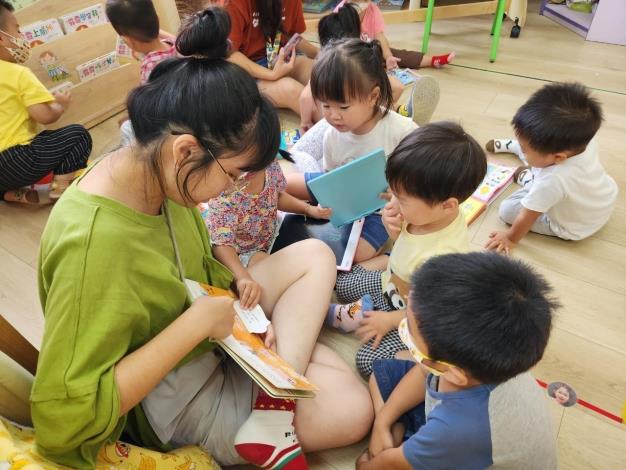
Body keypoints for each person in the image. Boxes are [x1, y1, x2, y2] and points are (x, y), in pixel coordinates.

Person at [31, 17, 372, 470]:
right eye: (233, 175)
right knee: (350, 406)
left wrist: (238, 313)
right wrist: (196, 326)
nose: (233, 189)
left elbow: (198, 268)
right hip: (172, 394)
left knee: (314, 254)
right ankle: (275, 404)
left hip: (209, 335)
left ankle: (273, 410)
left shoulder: (155, 175)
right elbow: (63, 423)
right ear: (186, 150)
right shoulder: (94, 247)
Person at [359, 252, 558, 469]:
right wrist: (383, 421)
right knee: (381, 376)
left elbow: (387, 464)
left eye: (409, 326)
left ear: (454, 374)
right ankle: (398, 433)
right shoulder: (483, 360)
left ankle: (402, 438)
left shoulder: (459, 429)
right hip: (461, 426)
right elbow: (426, 370)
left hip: (463, 442)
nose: (403, 327)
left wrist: (366, 465)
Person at [330, 122, 486, 376]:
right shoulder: (428, 212)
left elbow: (427, 314)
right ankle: (365, 306)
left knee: (368, 361)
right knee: (344, 283)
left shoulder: (442, 258)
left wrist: (390, 321)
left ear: (448, 205)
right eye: (393, 193)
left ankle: (420, 367)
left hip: (413, 316)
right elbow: (406, 240)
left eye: (401, 200)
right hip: (392, 282)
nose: (393, 202)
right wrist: (392, 226)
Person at [286, 38, 417, 264]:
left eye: (343, 107)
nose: (333, 115)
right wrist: (326, 201)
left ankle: (389, 258)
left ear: (373, 97)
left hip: (379, 209)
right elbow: (331, 177)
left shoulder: (402, 132)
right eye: (326, 105)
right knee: (285, 184)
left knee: (356, 255)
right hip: (344, 199)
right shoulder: (331, 135)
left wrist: (399, 194)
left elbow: (422, 178)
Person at [485, 82, 618, 253]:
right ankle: (522, 149)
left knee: (507, 210)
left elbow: (526, 217)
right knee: (537, 157)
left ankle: (528, 178)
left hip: (574, 227)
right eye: (522, 146)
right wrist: (530, 151)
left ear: (559, 157)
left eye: (524, 149)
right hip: (601, 200)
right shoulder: (583, 141)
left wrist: (510, 238)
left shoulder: (552, 181)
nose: (525, 152)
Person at [203, 157, 331, 310]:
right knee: (284, 277)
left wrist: (307, 209)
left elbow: (276, 195)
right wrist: (242, 277)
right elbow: (221, 244)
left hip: (272, 229)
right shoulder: (224, 193)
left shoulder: (269, 164)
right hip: (245, 251)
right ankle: (325, 310)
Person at [0, 0, 91, 204]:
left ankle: (13, 195)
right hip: (16, 160)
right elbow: (45, 117)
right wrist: (60, 105)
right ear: (2, 38)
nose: (22, 37)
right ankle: (60, 189)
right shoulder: (18, 73)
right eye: (17, 30)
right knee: (78, 135)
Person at [226, 0, 319, 117]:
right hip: (245, 70)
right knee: (291, 90)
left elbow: (290, 34)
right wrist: (271, 74)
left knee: (321, 72)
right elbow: (229, 54)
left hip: (279, 57)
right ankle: (332, 125)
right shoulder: (234, 3)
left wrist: (319, 53)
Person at [105, 0, 179, 147]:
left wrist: (129, 117)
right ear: (157, 19)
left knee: (125, 127)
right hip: (184, 104)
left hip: (169, 121)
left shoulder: (149, 67)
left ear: (126, 41)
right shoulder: (176, 44)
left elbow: (145, 104)